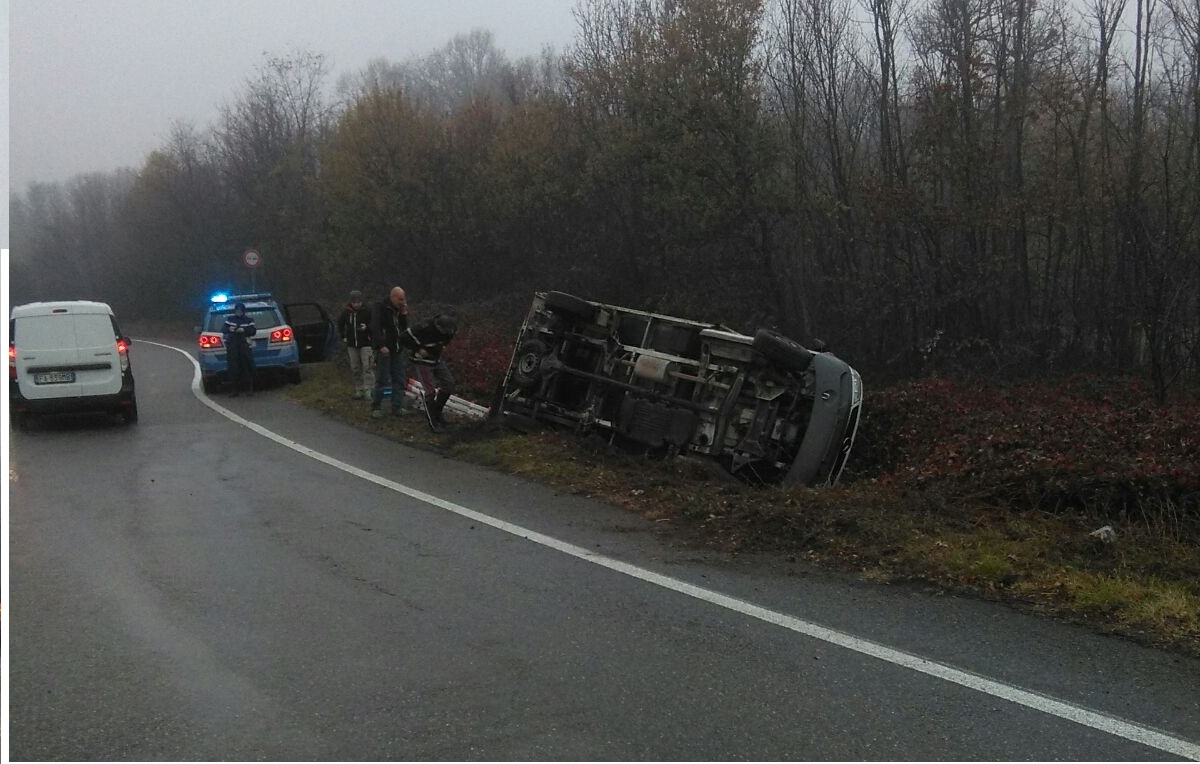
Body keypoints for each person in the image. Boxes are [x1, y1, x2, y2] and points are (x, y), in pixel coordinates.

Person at [402, 312, 457, 430]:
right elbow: (403, 338)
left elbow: (445, 342)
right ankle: (433, 423)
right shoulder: (423, 327)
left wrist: (436, 349)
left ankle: (437, 413)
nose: (446, 333)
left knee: (449, 384)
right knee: (430, 391)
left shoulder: (450, 330)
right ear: (438, 326)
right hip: (422, 361)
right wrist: (418, 349)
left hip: (436, 359)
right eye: (444, 331)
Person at [368, 286, 409, 418]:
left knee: (400, 379)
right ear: (393, 297)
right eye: (400, 299)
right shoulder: (380, 307)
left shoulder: (399, 310)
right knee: (382, 379)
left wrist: (404, 315)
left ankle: (397, 406)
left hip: (397, 349)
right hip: (385, 349)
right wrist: (380, 345)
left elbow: (404, 329)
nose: (402, 302)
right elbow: (375, 327)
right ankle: (376, 406)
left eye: (404, 299)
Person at [337, 289, 374, 399]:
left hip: (366, 343)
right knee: (355, 368)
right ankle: (359, 389)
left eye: (358, 302)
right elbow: (340, 324)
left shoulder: (368, 311)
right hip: (352, 344)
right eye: (354, 302)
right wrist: (343, 336)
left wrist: (367, 328)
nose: (356, 304)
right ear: (351, 302)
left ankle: (369, 390)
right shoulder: (346, 312)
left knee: (367, 367)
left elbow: (374, 324)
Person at [223, 302, 256, 396]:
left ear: (243, 311)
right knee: (233, 368)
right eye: (237, 311)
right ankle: (234, 390)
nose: (239, 312)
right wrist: (230, 329)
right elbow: (223, 329)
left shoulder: (249, 320)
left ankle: (249, 389)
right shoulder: (230, 319)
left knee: (247, 367)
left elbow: (253, 331)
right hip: (233, 347)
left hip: (244, 347)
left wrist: (243, 330)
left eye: (240, 311)